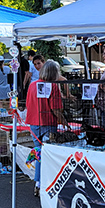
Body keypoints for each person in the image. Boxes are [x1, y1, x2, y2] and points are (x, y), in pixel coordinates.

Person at [26, 60, 70, 196]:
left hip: (33, 124)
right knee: (45, 155)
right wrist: (64, 121)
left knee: (39, 154)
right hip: (48, 124)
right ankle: (43, 182)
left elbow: (28, 104)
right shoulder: (53, 87)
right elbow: (56, 109)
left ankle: (38, 183)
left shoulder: (32, 85)